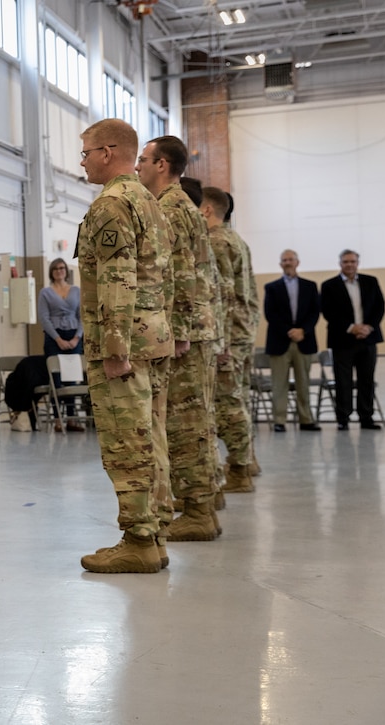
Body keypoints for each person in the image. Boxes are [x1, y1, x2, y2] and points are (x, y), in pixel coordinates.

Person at [75, 119, 173, 574]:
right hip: (152, 337)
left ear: (109, 152)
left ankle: (138, 539)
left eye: (87, 152)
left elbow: (117, 279)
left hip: (124, 345)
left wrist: (114, 348)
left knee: (126, 440)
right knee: (149, 435)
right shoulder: (148, 201)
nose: (83, 161)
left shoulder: (112, 204)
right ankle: (152, 535)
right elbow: (165, 277)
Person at [136, 135, 222, 542]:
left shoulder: (170, 207)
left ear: (163, 165)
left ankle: (199, 511)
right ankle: (202, 506)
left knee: (186, 424)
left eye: (144, 159)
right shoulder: (178, 205)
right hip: (195, 326)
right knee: (194, 419)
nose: (138, 165)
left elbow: (182, 271)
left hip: (187, 331)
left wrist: (182, 332)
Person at [202, 186, 257, 493]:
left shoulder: (217, 242)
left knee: (229, 402)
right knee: (238, 397)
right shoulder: (236, 239)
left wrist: (220, 342)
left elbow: (219, 295)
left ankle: (239, 469)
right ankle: (246, 461)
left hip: (229, 334)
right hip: (242, 330)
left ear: (207, 210)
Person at [320, 249, 385, 430]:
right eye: (346, 262)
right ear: (340, 264)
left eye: (352, 261)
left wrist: (368, 327)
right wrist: (351, 327)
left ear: (358, 263)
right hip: (342, 340)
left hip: (368, 338)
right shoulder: (329, 285)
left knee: (367, 380)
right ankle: (343, 418)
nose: (349, 265)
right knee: (343, 381)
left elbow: (379, 307)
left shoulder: (370, 282)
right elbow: (328, 311)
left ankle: (366, 417)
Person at [264, 250, 321, 431]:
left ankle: (306, 419)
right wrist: (289, 331)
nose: (288, 262)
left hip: (304, 341)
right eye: (284, 260)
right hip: (280, 341)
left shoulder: (310, 286)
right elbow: (270, 314)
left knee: (303, 383)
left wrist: (302, 330)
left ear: (298, 262)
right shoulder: (271, 287)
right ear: (280, 264)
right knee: (279, 384)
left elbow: (315, 312)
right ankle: (279, 421)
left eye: (291, 259)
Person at [37, 257, 84, 432]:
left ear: (66, 270)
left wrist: (76, 338)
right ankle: (58, 419)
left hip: (74, 337)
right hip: (54, 338)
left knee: (71, 379)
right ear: (51, 272)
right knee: (56, 380)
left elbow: (83, 316)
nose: (59, 271)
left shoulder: (76, 291)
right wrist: (58, 339)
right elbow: (44, 318)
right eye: (56, 268)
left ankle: (71, 419)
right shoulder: (45, 293)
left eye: (62, 267)